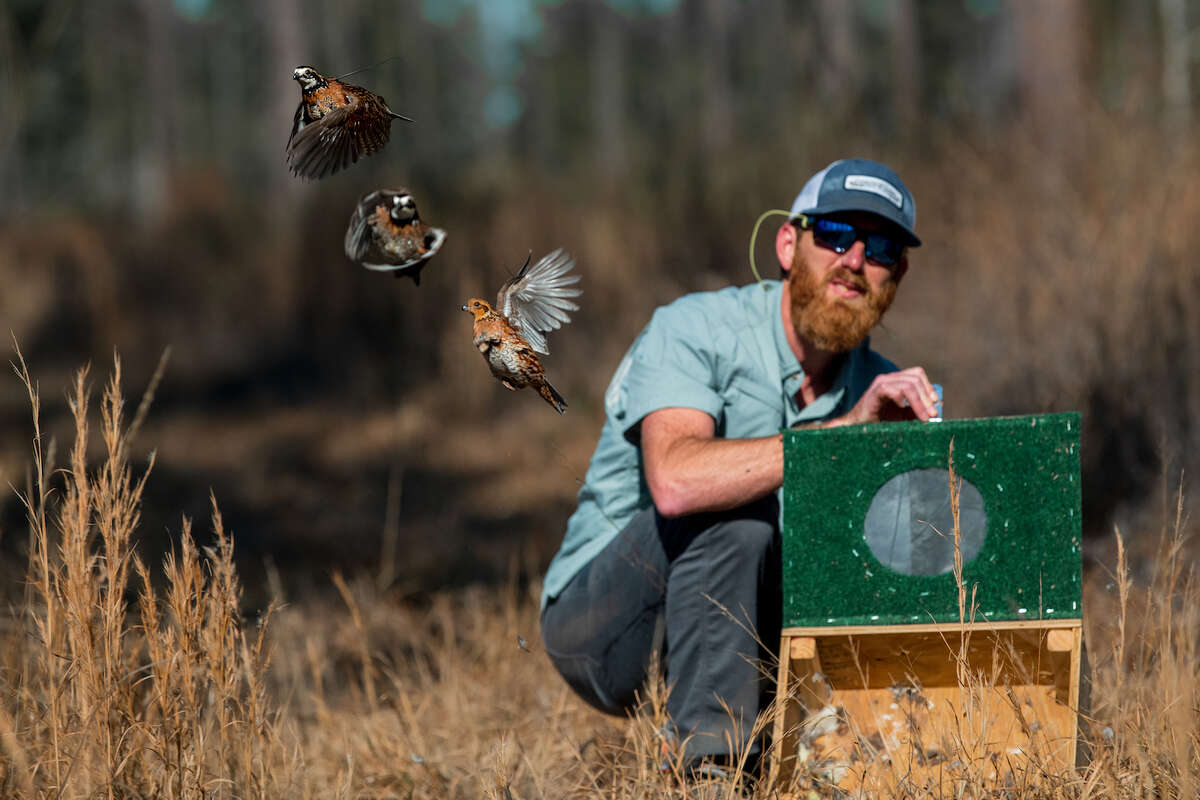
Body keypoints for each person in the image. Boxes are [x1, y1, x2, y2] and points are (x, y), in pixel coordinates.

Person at [540, 159, 940, 776]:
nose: (855, 260)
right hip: (607, 624)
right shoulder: (696, 328)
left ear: (899, 275)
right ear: (789, 244)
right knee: (735, 518)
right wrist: (843, 436)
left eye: (880, 247)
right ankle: (712, 773)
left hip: (753, 629)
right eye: (834, 234)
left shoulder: (885, 390)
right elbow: (675, 482)